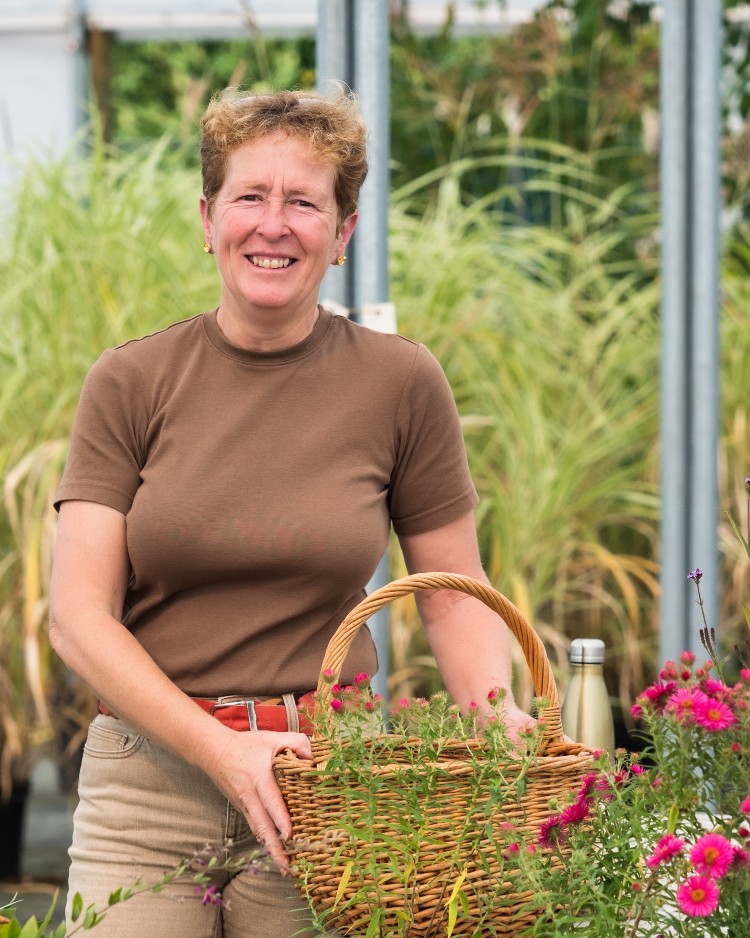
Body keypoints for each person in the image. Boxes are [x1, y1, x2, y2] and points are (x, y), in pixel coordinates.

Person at [49, 85, 531, 938]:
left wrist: (501, 729)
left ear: (342, 233)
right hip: (149, 785)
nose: (273, 224)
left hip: (333, 782)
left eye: (304, 202)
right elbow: (80, 620)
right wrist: (223, 752)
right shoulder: (130, 382)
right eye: (249, 196)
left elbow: (453, 594)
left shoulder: (400, 384)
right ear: (208, 219)